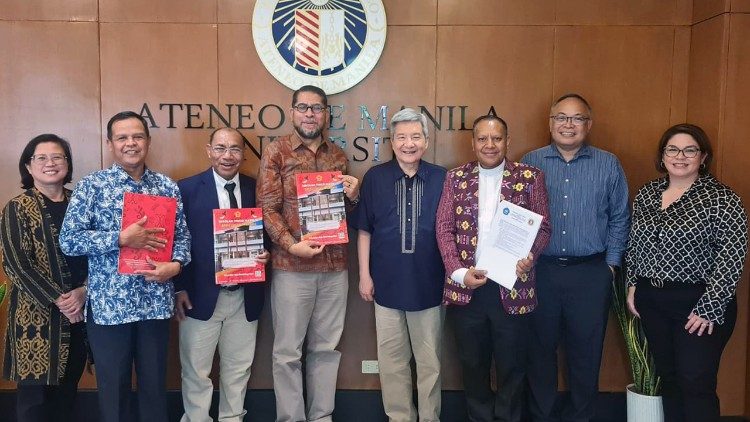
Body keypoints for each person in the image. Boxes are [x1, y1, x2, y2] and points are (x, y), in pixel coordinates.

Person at [59, 111, 191, 422]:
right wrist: (119, 238)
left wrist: (175, 265)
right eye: (122, 138)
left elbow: (183, 236)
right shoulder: (93, 186)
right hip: (109, 307)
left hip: (155, 304)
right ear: (110, 144)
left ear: (148, 140)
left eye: (137, 136)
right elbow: (69, 241)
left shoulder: (166, 186)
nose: (130, 143)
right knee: (113, 390)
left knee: (155, 387)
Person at [625, 123, 748, 422]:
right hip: (653, 300)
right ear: (663, 155)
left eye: (689, 150)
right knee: (670, 379)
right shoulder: (648, 193)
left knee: (696, 383)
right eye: (673, 149)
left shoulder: (721, 198)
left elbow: (732, 254)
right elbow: (634, 243)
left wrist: (710, 307)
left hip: (699, 303)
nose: (680, 156)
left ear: (703, 156)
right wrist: (632, 286)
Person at [522, 94, 630, 422]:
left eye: (577, 118)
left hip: (591, 273)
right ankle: (541, 416)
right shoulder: (530, 161)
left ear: (589, 124)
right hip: (542, 271)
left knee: (586, 353)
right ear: (550, 122)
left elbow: (620, 216)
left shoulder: (608, 163)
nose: (569, 125)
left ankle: (581, 417)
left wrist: (610, 266)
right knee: (539, 351)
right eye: (562, 118)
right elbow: (515, 215)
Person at [436, 115, 551, 422]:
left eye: (496, 138)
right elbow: (444, 228)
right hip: (467, 289)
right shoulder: (455, 177)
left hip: (512, 287)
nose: (490, 145)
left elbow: (543, 228)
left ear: (507, 142)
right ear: (473, 143)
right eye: (483, 139)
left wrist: (530, 256)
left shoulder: (530, 177)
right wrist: (459, 272)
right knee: (473, 367)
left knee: (512, 367)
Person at [257, 85, 360, 422]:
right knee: (287, 352)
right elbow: (266, 209)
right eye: (303, 108)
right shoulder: (276, 151)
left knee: (326, 350)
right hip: (292, 267)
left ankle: (321, 417)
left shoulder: (338, 155)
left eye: (316, 108)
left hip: (334, 267)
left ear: (326, 113)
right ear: (292, 111)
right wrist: (291, 245)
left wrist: (353, 194)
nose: (310, 114)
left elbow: (343, 214)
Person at [354, 108, 446, 422]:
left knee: (429, 362)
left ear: (426, 140)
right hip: (386, 285)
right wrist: (365, 275)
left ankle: (430, 417)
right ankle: (400, 417)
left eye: (415, 136)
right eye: (402, 137)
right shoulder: (376, 178)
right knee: (392, 361)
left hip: (429, 284)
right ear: (392, 142)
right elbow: (365, 230)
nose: (409, 143)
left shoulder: (442, 178)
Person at [174, 127, 269, 422]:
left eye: (235, 149)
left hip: (245, 295)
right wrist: (178, 287)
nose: (227, 156)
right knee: (196, 371)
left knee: (238, 369)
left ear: (244, 153)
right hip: (199, 296)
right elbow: (175, 240)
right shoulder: (186, 189)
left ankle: (232, 419)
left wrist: (268, 254)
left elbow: (272, 233)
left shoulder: (258, 189)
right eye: (220, 148)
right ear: (208, 150)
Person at [0, 134, 88, 422]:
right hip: (35, 322)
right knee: (34, 404)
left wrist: (83, 292)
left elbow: (99, 256)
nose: (50, 163)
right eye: (41, 158)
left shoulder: (81, 204)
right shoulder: (17, 207)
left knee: (67, 397)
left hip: (79, 316)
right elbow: (17, 264)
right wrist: (63, 300)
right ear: (28, 165)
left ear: (67, 163)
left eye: (58, 157)